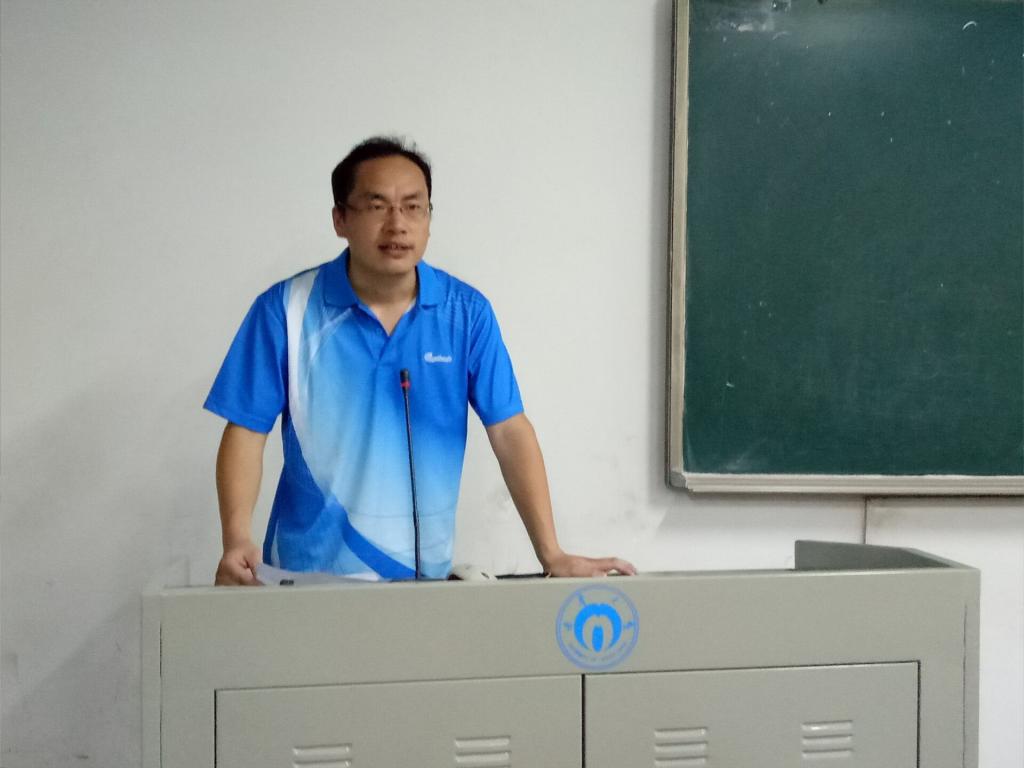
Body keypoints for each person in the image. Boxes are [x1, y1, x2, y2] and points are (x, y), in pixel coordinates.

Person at [205, 136, 636, 585]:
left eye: (413, 207)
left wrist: (552, 553)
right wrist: (236, 540)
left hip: (422, 582)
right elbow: (246, 430)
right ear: (340, 219)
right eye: (377, 207)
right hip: (305, 576)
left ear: (429, 218)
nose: (397, 225)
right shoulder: (286, 310)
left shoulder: (465, 313)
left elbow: (509, 430)